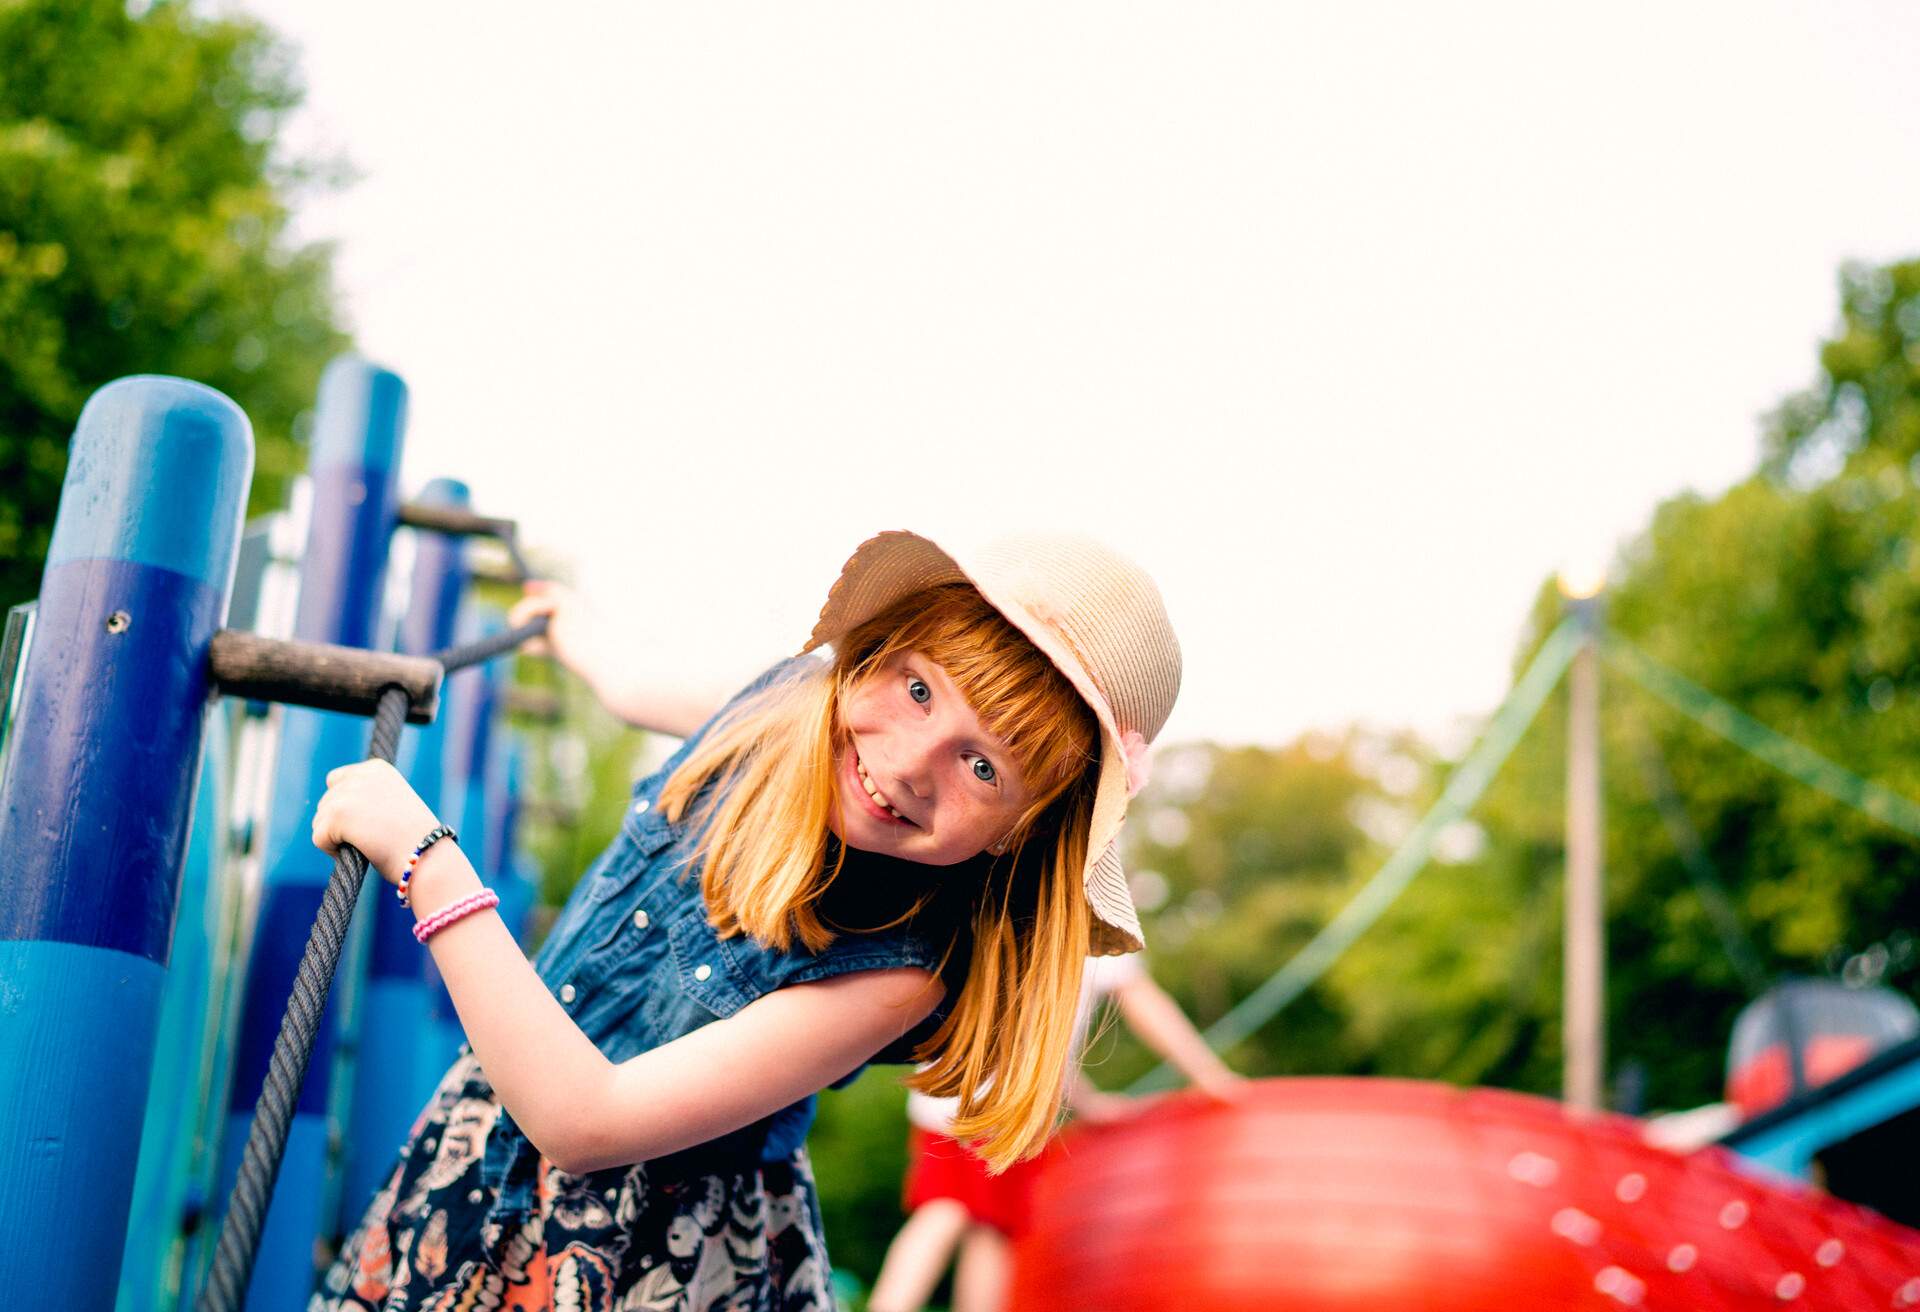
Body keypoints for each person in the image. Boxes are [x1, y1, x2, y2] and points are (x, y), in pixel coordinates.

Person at [306, 530, 1183, 1309]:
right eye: (920, 690)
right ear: (878, 651)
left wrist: (428, 860)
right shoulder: (784, 708)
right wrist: (569, 627)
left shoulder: (901, 969)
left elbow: (588, 1122)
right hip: (480, 1153)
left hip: (640, 1258)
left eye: (984, 767)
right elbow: (634, 684)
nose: (913, 765)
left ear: (1024, 834)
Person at [866, 953, 1241, 1312]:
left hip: (970, 1097)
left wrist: (1087, 1102)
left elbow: (1038, 1041)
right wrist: (1208, 1075)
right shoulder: (1094, 913)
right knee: (964, 1218)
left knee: (974, 1220)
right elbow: (1140, 1000)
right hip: (997, 1104)